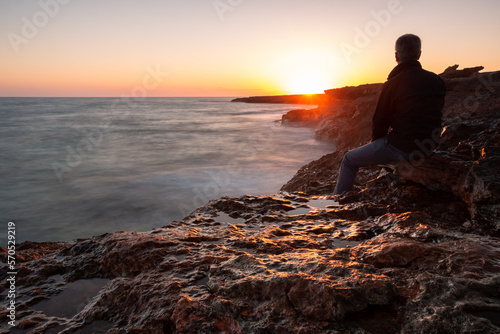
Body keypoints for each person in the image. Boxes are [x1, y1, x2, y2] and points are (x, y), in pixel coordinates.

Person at [333, 34, 446, 195]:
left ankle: (338, 203)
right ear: (419, 54)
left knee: (349, 160)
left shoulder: (392, 84)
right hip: (429, 146)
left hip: (403, 147)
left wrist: (378, 146)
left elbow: (380, 120)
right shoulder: (437, 81)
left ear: (396, 56)